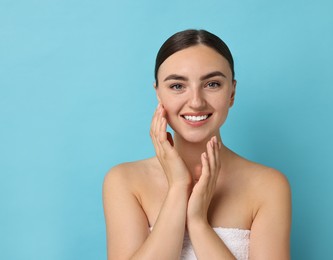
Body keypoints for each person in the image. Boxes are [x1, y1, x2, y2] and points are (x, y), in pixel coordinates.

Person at [103, 29, 291, 260]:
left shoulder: (268, 185)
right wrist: (178, 188)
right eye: (177, 86)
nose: (196, 102)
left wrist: (198, 223)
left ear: (232, 92)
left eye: (212, 84)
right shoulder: (124, 181)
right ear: (158, 94)